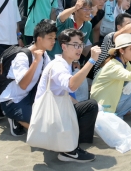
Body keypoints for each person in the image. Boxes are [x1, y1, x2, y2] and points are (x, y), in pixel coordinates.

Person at [35, 29, 99, 163]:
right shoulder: (58, 66)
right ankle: (70, 150)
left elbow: (64, 93)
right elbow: (71, 86)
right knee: (91, 105)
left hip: (52, 112)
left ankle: (70, 143)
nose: (79, 48)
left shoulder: (64, 63)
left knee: (85, 105)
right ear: (64, 46)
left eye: (80, 45)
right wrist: (92, 60)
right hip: (49, 116)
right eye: (75, 45)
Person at [0, 20, 56, 136]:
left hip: (29, 95)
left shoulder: (44, 55)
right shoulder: (22, 56)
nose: (53, 41)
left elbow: (52, 76)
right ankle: (14, 117)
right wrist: (36, 61)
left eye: (54, 38)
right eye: (50, 38)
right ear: (39, 39)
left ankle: (24, 115)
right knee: (40, 129)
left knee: (49, 120)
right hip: (12, 99)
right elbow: (23, 85)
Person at [90, 34, 131, 117]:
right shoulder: (113, 65)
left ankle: (117, 115)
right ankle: (116, 116)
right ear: (122, 51)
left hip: (107, 102)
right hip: (102, 106)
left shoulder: (125, 63)